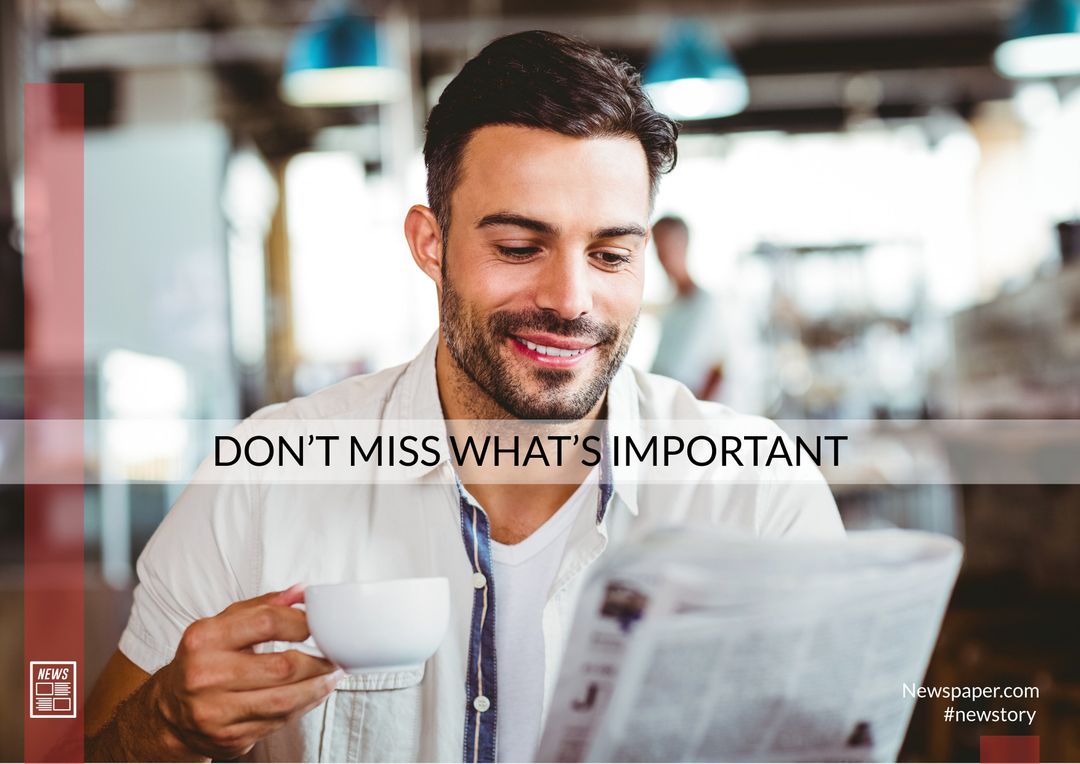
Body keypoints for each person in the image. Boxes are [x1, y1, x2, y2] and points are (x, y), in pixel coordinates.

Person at [86, 31, 843, 763]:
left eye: (610, 254)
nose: (570, 299)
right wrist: (165, 727)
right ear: (431, 244)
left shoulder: (756, 494)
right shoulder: (266, 478)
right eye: (519, 248)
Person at [649, 216, 726, 400]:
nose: (663, 258)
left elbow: (719, 369)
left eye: (668, 247)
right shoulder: (671, 304)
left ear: (684, 246)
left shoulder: (708, 305)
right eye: (659, 248)